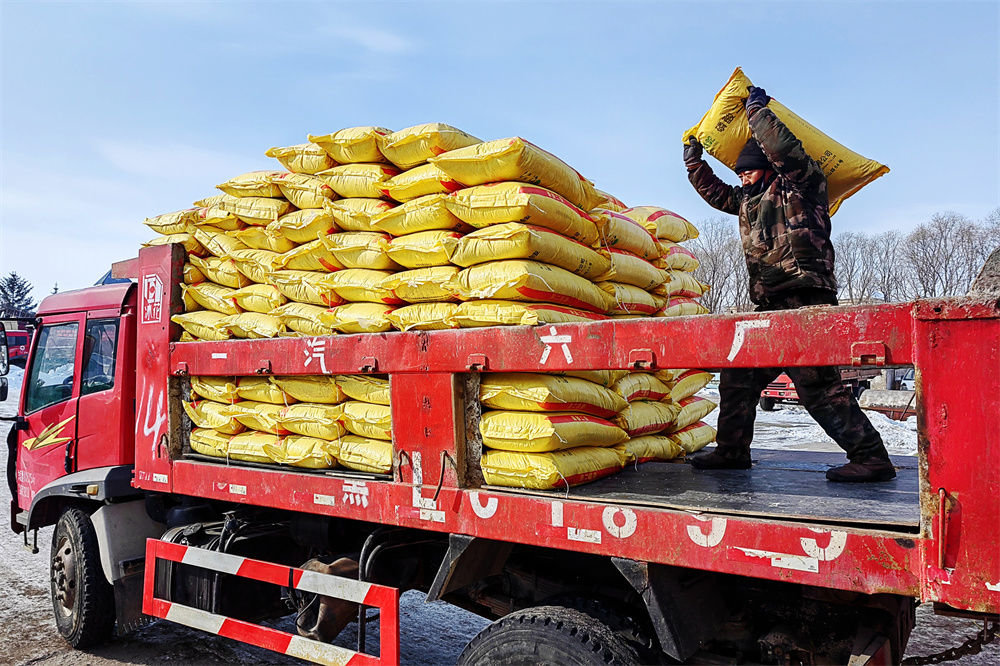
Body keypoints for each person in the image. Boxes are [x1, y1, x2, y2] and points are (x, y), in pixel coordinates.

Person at [682, 85, 896, 483]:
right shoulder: (747, 200)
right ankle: (732, 452)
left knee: (817, 386)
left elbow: (783, 149)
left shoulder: (801, 185)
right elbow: (714, 193)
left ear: (766, 166)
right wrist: (693, 159)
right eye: (739, 172)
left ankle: (871, 458)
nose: (742, 177)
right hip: (770, 304)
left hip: (805, 298)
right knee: (739, 378)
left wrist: (757, 110)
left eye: (747, 169)